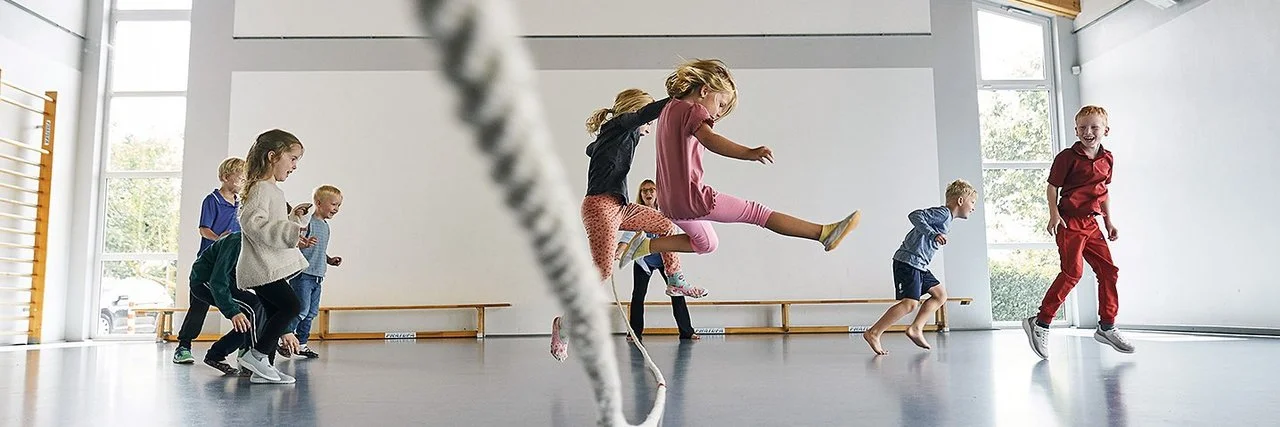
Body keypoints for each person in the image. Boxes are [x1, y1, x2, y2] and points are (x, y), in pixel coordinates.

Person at [652, 59, 861, 258]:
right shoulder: (694, 109)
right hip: (691, 198)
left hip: (669, 203)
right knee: (757, 213)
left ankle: (645, 246)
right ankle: (822, 233)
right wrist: (749, 153)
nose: (718, 113)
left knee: (707, 243)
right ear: (704, 90)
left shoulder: (668, 110)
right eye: (721, 104)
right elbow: (710, 139)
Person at [1023, 105, 1134, 360]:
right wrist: (1054, 214)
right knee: (1073, 272)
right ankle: (1040, 322)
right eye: (1083, 128)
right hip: (1069, 222)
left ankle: (1107, 325)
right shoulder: (1067, 157)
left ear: (1106, 130)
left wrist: (1109, 222)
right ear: (1076, 130)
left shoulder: (1108, 159)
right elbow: (1052, 187)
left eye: (1094, 127)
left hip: (1092, 223)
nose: (1088, 132)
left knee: (1109, 271)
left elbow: (1102, 191)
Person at [862, 180, 976, 355]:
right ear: (960, 201)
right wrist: (933, 233)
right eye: (972, 202)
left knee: (940, 295)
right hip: (908, 261)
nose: (973, 207)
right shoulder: (944, 213)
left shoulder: (947, 219)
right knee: (910, 304)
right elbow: (915, 215)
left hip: (920, 265)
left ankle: (916, 328)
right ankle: (874, 332)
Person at [235, 129, 309, 382]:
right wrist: (290, 231)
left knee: (275, 312)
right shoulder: (261, 189)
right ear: (272, 156)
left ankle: (261, 368)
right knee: (292, 306)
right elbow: (252, 222)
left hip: (266, 265)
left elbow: (272, 224)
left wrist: (293, 221)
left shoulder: (272, 190)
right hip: (261, 267)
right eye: (293, 158)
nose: (295, 166)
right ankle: (255, 356)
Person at [174, 157, 246, 365]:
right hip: (208, 266)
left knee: (246, 305)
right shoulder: (212, 201)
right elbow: (203, 229)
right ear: (225, 177)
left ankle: (245, 347)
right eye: (240, 178)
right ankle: (183, 347)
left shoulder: (240, 204)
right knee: (199, 308)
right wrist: (220, 239)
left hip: (231, 264)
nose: (243, 182)